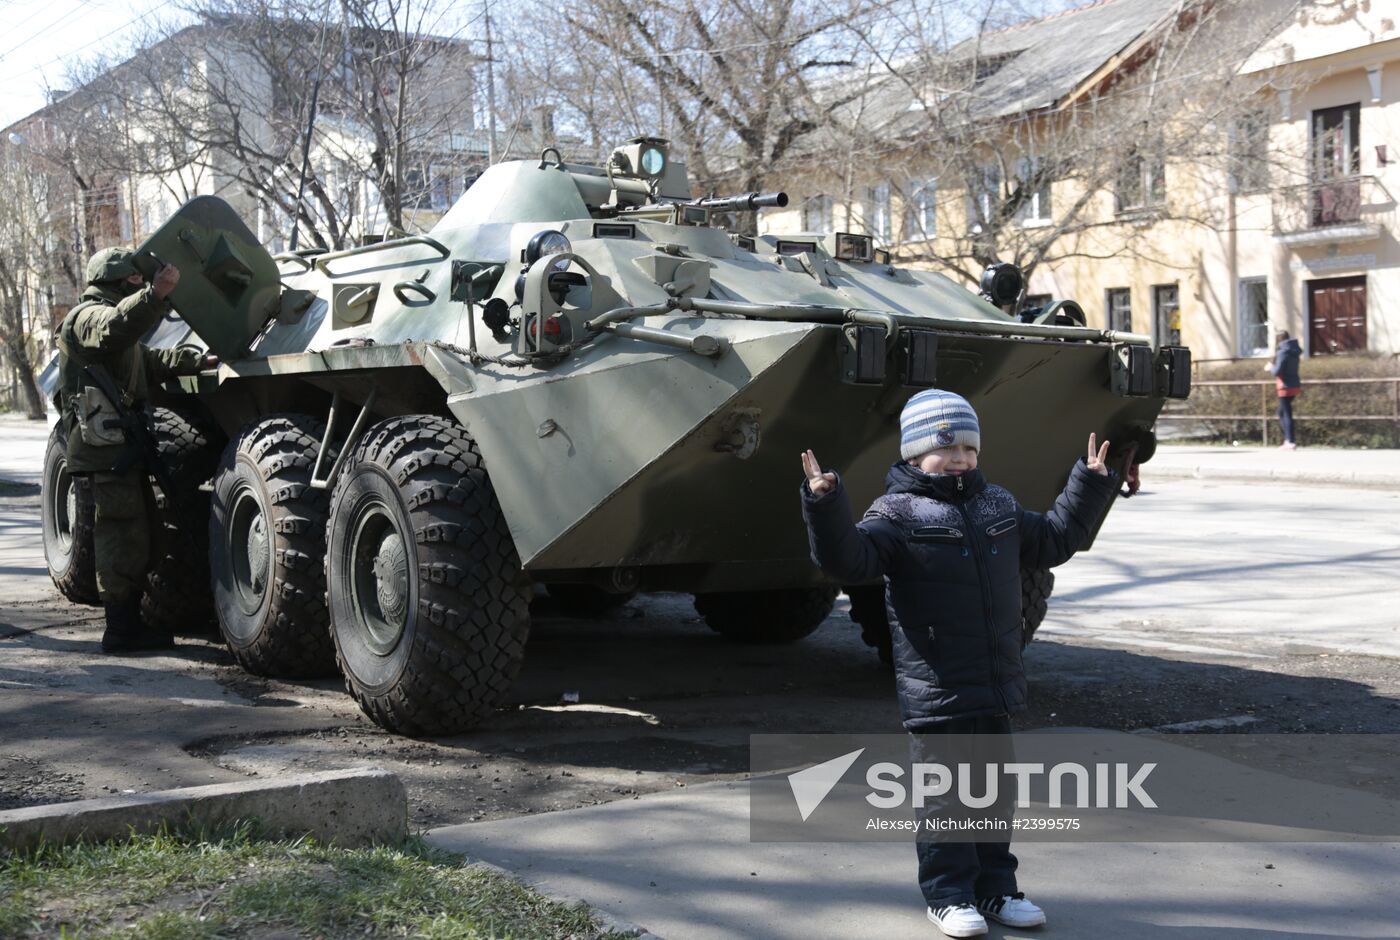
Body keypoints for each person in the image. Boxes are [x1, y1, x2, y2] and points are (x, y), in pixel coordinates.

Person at [799, 388, 1118, 938]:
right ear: (913, 453)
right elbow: (847, 559)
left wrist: (1088, 482)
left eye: (969, 449)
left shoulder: (997, 505)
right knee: (944, 795)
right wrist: (825, 503)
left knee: (994, 792)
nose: (960, 459)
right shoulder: (896, 514)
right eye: (946, 448)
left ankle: (996, 888)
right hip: (937, 687)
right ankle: (948, 895)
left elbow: (1058, 539)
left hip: (993, 683)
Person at [55, 247, 211, 653]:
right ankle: (120, 631)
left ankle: (131, 623)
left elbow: (149, 361)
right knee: (121, 533)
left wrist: (196, 361)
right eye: (136, 280)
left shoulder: (116, 328)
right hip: (103, 449)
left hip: (119, 444)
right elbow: (115, 327)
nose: (140, 284)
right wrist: (154, 295)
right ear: (119, 282)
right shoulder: (87, 317)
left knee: (139, 534)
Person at [1268, 330, 1302, 449]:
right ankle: (1288, 439)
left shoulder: (1282, 352)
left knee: (1286, 413)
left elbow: (1278, 371)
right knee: (1282, 412)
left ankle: (1290, 441)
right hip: (1294, 383)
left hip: (1284, 385)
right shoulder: (1294, 351)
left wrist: (1270, 368)